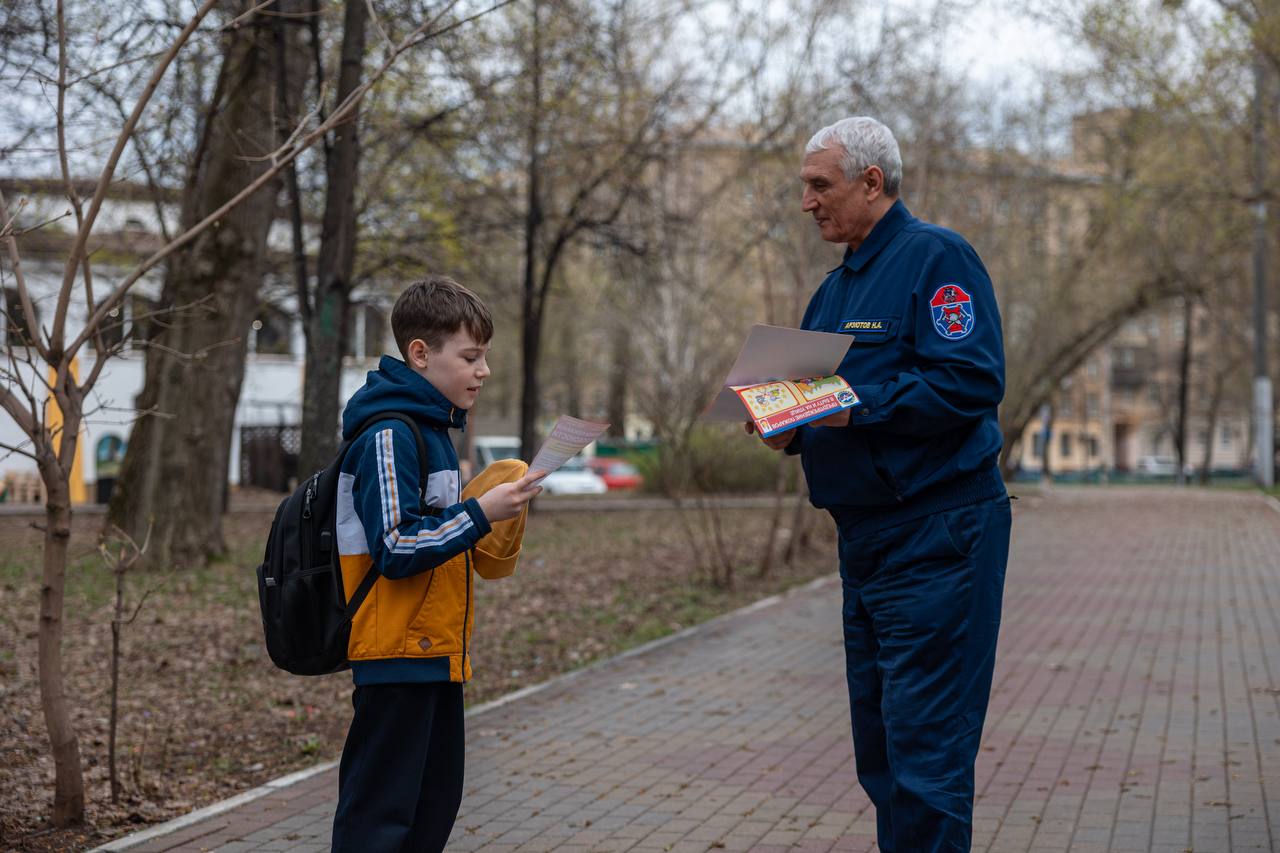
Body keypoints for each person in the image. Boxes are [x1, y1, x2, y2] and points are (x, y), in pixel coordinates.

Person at [750, 116, 1012, 852]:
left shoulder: (938, 258)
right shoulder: (835, 289)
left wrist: (850, 405)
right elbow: (819, 404)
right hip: (863, 542)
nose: (806, 201)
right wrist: (786, 423)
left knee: (927, 757)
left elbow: (970, 381)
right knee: (885, 757)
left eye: (819, 184)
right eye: (805, 186)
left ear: (873, 182)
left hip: (938, 537)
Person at [330, 275, 543, 853]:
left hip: (436, 653)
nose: (483, 371)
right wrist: (479, 511)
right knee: (379, 819)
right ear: (420, 354)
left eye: (485, 357)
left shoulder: (435, 434)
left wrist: (497, 511)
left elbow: (441, 542)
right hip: (394, 654)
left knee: (430, 810)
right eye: (470, 357)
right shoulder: (389, 434)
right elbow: (396, 549)